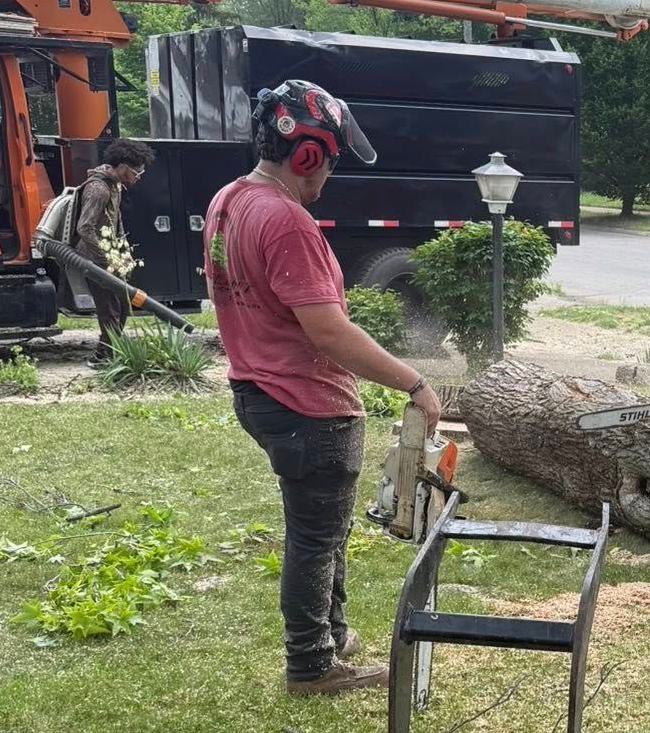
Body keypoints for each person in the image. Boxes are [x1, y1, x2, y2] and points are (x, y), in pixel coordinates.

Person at [205, 78, 442, 698]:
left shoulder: (229, 201)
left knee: (322, 529)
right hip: (305, 404)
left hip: (259, 391)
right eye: (329, 159)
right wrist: (412, 380)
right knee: (315, 539)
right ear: (307, 153)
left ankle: (330, 632)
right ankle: (311, 663)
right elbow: (330, 333)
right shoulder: (286, 220)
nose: (329, 172)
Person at [72, 139, 154, 360]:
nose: (138, 178)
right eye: (137, 173)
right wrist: (105, 259)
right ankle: (105, 356)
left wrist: (123, 249)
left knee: (123, 305)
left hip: (111, 255)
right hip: (94, 259)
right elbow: (84, 227)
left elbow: (115, 221)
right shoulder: (98, 188)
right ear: (123, 167)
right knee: (110, 309)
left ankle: (108, 352)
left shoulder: (115, 185)